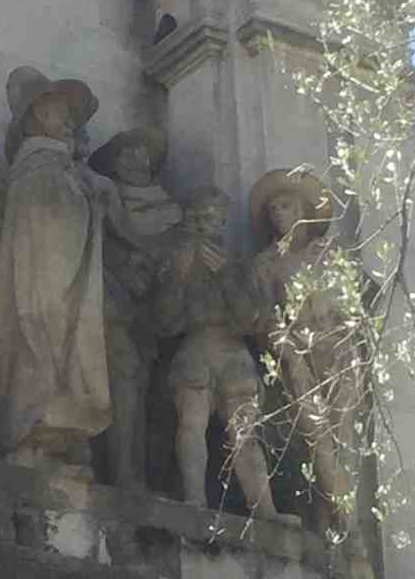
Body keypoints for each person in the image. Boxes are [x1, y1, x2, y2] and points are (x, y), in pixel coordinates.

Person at [250, 169, 373, 579]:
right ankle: (351, 532)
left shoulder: (331, 253)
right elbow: (268, 317)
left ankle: (329, 520)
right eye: (271, 210)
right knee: (317, 442)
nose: (277, 215)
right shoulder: (267, 264)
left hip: (339, 353)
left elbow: (354, 308)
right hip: (299, 360)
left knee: (342, 441)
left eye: (284, 206)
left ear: (303, 209)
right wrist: (287, 352)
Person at [0, 66, 111, 476]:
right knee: (46, 333)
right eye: (62, 112)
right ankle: (39, 423)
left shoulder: (56, 169)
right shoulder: (41, 171)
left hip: (62, 279)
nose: (70, 122)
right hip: (46, 284)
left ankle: (56, 425)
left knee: (61, 335)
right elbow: (47, 241)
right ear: (40, 115)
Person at [155, 187, 278, 518]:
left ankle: (264, 508)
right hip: (195, 347)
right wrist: (178, 277)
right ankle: (194, 498)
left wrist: (226, 274)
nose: (216, 226)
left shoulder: (239, 266)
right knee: (191, 423)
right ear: (194, 221)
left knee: (246, 434)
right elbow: (164, 321)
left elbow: (251, 318)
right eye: (209, 218)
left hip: (235, 353)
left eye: (221, 220)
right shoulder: (179, 263)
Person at [88, 129, 182, 486]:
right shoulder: (106, 200)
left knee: (149, 395)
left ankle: (142, 474)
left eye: (139, 152)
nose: (132, 160)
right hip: (112, 302)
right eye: (123, 154)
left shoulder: (172, 211)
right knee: (120, 381)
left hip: (155, 313)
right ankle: (121, 473)